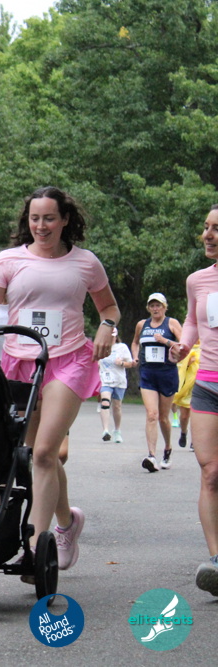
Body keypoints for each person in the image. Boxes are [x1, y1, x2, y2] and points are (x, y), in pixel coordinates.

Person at [0, 186, 119, 577]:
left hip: (69, 360)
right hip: (21, 362)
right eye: (35, 218)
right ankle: (67, 522)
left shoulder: (85, 262)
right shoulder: (8, 261)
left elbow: (109, 307)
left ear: (65, 219)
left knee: (46, 452)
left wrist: (107, 325)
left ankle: (35, 548)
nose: (41, 225)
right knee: (34, 455)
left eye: (49, 218)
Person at [172, 205, 218, 596]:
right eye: (206, 227)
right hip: (208, 386)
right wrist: (185, 345)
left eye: (216, 228)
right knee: (211, 472)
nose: (208, 235)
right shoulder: (197, 280)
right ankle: (217, 561)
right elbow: (191, 320)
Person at [131, 293, 183, 471]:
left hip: (167, 373)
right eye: (152, 305)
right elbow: (135, 343)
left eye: (158, 305)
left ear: (164, 307)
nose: (155, 309)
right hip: (148, 374)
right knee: (151, 414)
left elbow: (183, 345)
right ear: (148, 308)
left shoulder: (171, 323)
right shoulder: (142, 325)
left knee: (163, 418)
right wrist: (135, 356)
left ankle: (167, 448)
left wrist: (165, 341)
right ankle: (151, 456)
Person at [98, 328, 134, 443]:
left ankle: (117, 430)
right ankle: (105, 430)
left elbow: (131, 363)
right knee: (105, 402)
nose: (110, 338)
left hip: (119, 381)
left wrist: (121, 363)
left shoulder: (122, 347)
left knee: (117, 406)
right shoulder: (100, 347)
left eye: (112, 336)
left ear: (116, 336)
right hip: (105, 380)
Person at [173, 342, 200, 451]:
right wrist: (187, 364)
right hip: (187, 387)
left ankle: (195, 441)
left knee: (197, 415)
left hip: (200, 386)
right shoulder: (186, 346)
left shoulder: (207, 346)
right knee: (184, 416)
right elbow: (179, 366)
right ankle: (183, 432)